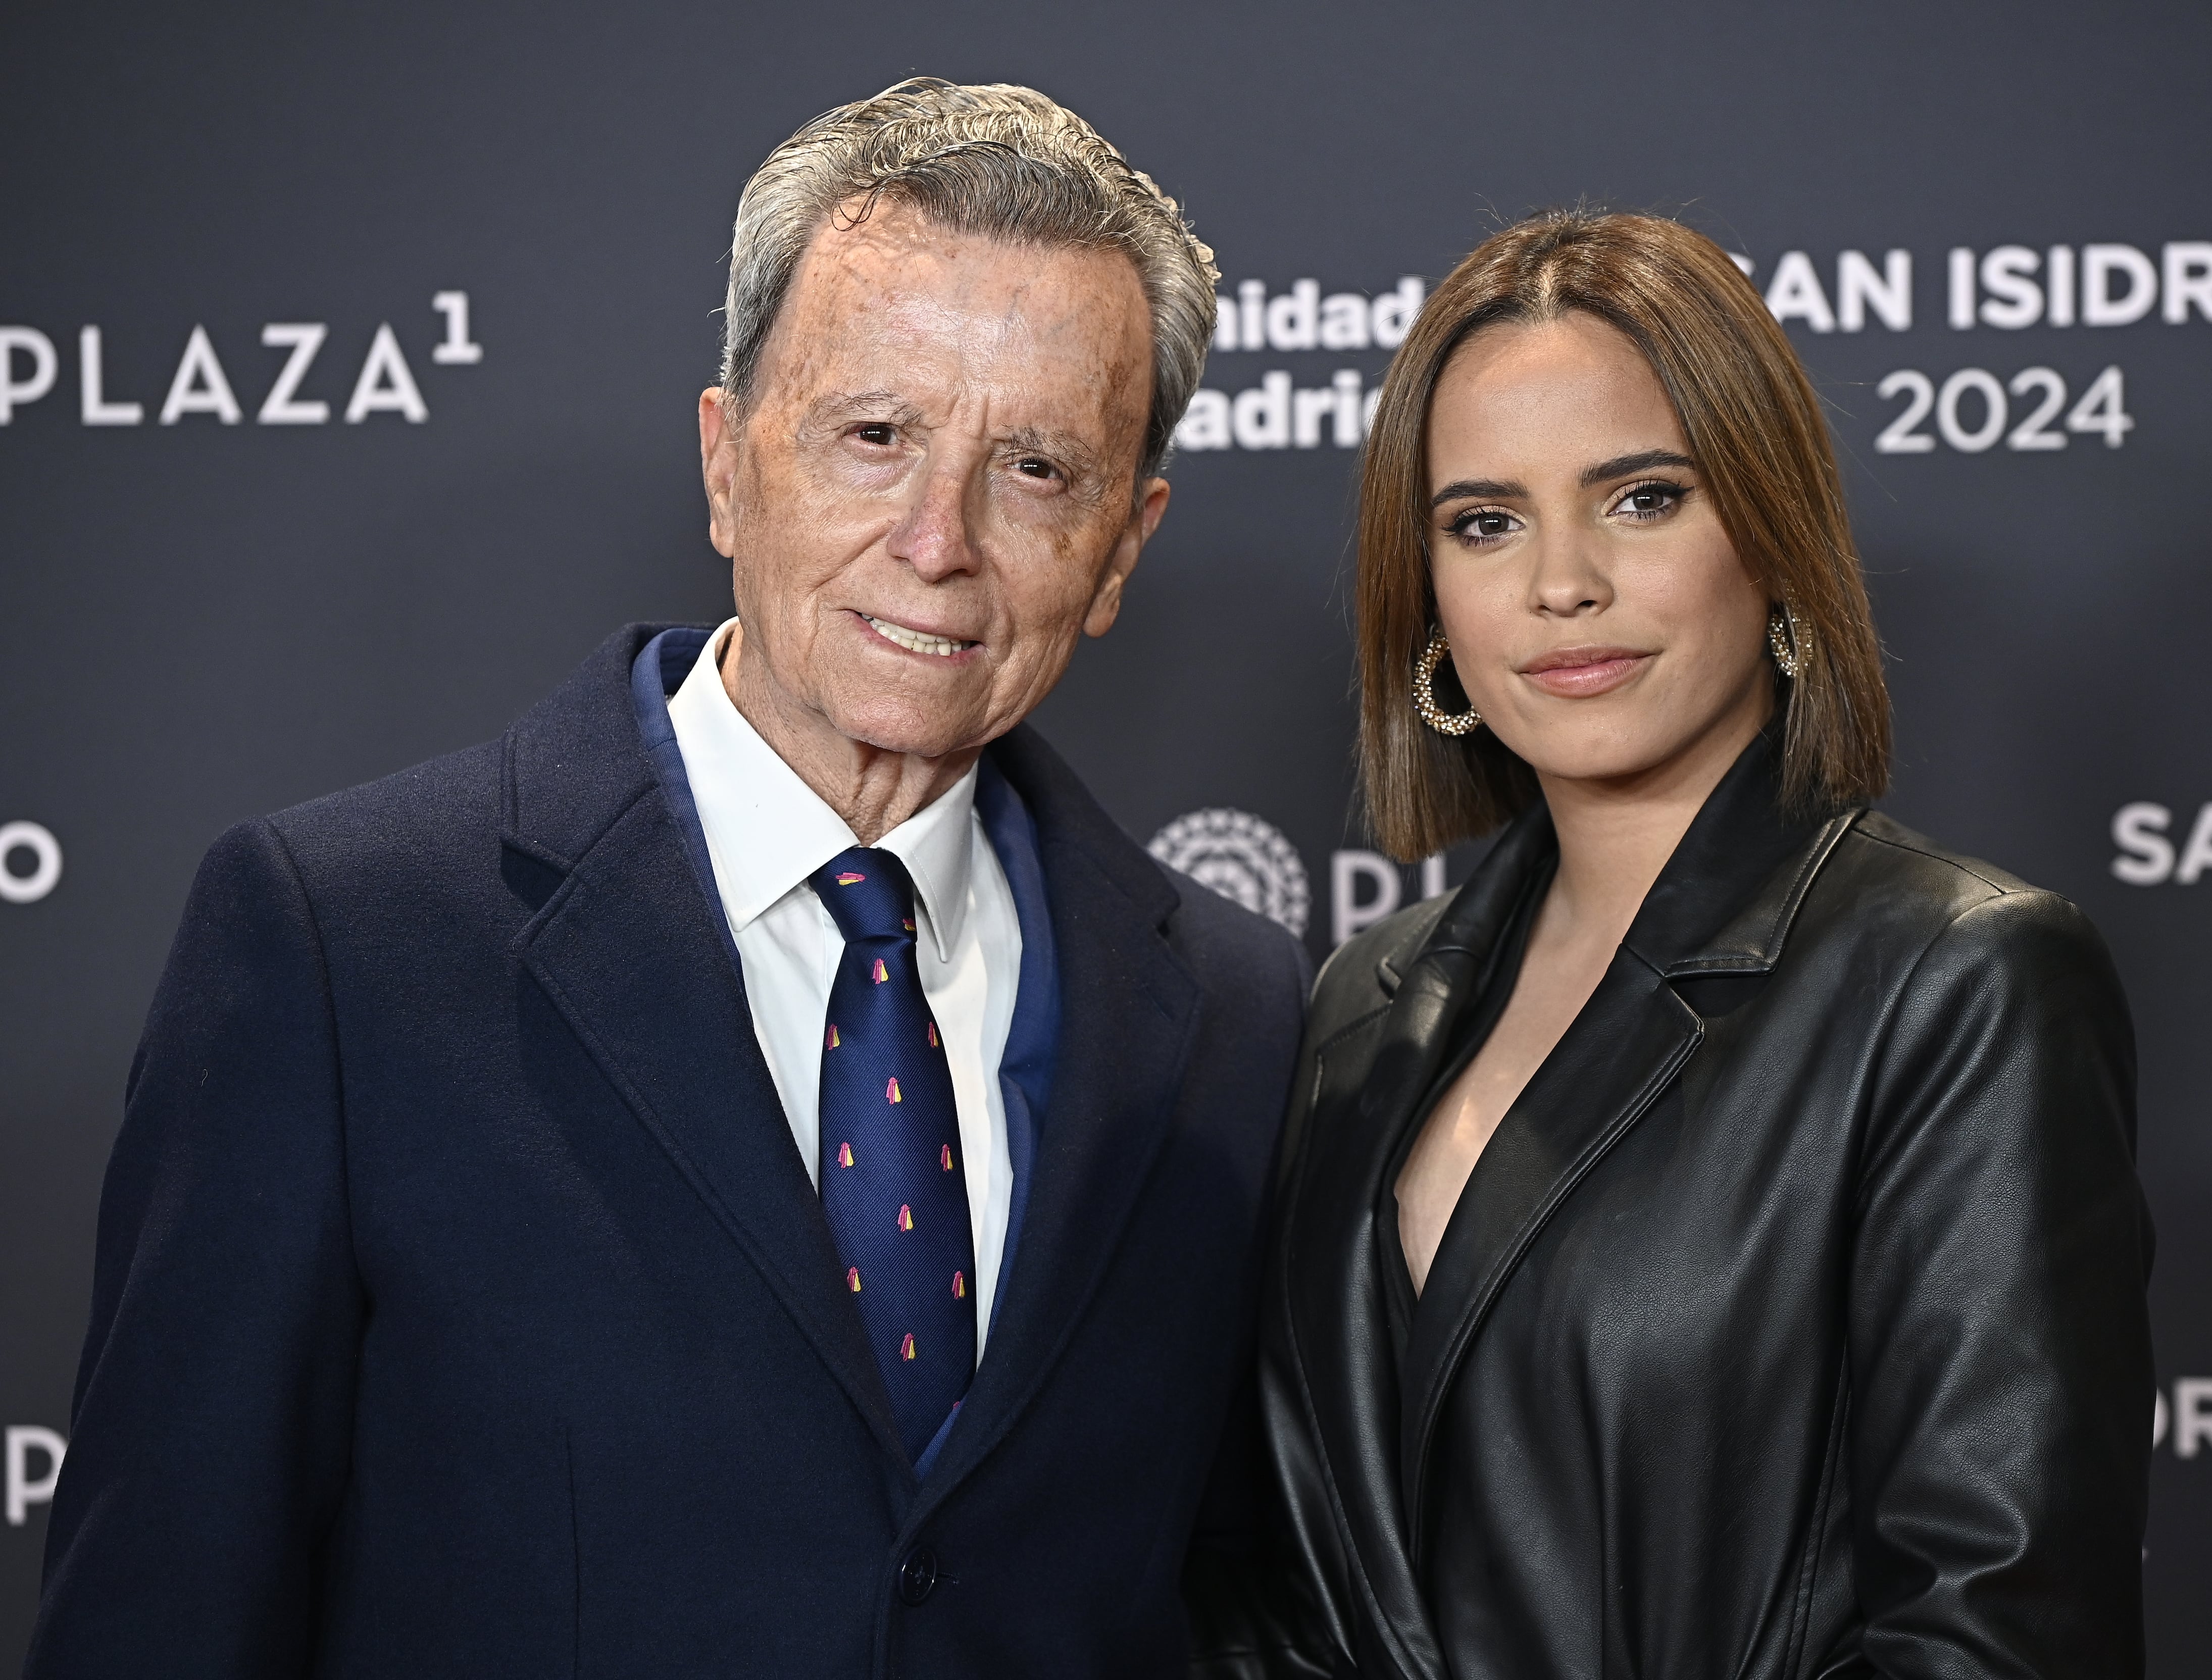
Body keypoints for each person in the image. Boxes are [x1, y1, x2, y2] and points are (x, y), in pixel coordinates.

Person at [29, 80, 1308, 1679]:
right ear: (727, 460)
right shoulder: (344, 944)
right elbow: (161, 1620)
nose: (939, 540)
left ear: (1123, 545)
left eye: (1039, 468)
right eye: (875, 433)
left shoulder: (1237, 1022)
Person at [1253, 211, 2153, 1679]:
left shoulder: (1962, 983)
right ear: (1428, 602)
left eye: (1642, 499)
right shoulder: (1367, 1004)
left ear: (1774, 534)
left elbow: (1999, 1637)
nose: (1562, 585)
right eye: (1486, 522)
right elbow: (1271, 1596)